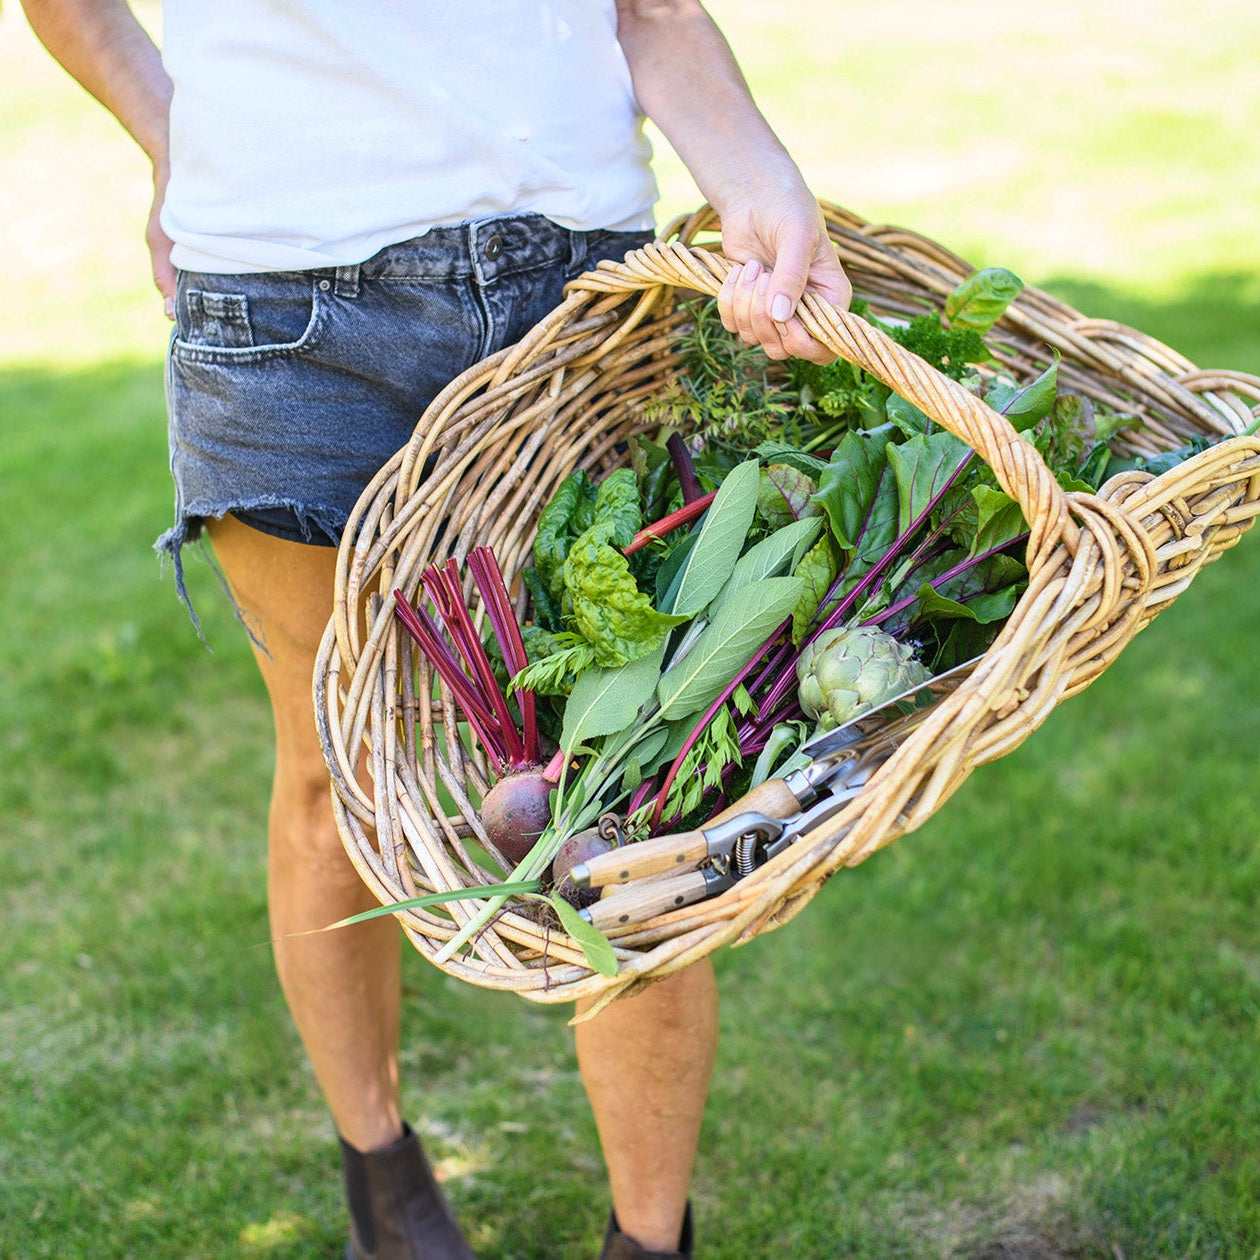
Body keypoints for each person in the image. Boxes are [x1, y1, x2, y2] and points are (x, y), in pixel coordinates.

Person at [20, 2, 852, 1256]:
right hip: (289, 311)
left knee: (632, 799)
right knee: (328, 776)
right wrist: (169, 135)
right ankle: (384, 1180)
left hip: (578, 299)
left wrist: (756, 176)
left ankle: (651, 1238)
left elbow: (655, 10)